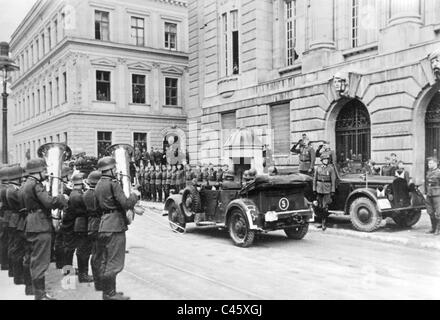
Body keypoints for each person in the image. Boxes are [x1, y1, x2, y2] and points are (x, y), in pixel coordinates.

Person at [95, 156, 140, 300]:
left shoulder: (98, 184)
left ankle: (108, 291)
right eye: (114, 168)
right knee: (115, 261)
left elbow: (97, 208)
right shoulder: (113, 184)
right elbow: (126, 203)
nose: (116, 170)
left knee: (106, 260)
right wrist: (135, 195)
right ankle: (109, 294)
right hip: (115, 226)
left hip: (104, 225)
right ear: (110, 169)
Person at [23, 159, 67, 300]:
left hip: (30, 223)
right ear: (36, 172)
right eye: (43, 170)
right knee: (40, 261)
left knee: (31, 259)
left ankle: (31, 289)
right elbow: (49, 203)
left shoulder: (25, 184)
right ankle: (40, 295)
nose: (45, 173)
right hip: (40, 225)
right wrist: (61, 198)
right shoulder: (36, 185)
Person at [71, 173, 94, 283]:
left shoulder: (74, 193)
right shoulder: (79, 195)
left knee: (82, 250)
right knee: (83, 251)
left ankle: (83, 273)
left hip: (78, 224)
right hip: (82, 224)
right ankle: (83, 274)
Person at [83, 170, 103, 291]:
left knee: (96, 254)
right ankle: (100, 282)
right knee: (100, 255)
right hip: (99, 225)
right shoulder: (98, 194)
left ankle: (97, 281)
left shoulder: (85, 194)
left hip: (91, 224)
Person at [5, 166, 26, 285]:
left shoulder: (11, 188)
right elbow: (20, 203)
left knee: (14, 247)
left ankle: (15, 273)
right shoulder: (13, 190)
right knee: (18, 249)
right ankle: (18, 276)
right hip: (17, 219)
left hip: (14, 219)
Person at [313, 154, 336, 231]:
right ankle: (320, 222)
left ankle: (324, 223)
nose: (326, 161)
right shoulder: (318, 168)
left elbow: (333, 180)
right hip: (319, 188)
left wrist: (332, 190)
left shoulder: (330, 169)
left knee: (324, 206)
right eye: (324, 159)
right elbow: (315, 179)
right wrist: (314, 189)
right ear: (322, 160)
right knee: (319, 206)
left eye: (327, 159)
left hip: (327, 189)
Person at [425, 157, 440, 235]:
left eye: (430, 163)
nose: (428, 164)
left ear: (435, 163)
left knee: (438, 213)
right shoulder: (428, 172)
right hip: (429, 194)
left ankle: (438, 229)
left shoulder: (438, 172)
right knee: (430, 211)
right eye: (428, 163)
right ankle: (433, 227)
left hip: (437, 194)